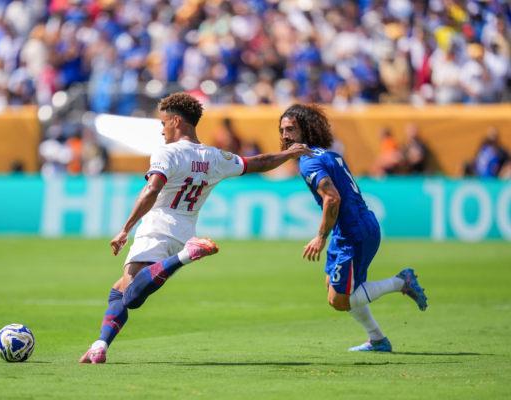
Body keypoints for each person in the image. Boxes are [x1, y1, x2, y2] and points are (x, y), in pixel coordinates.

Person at [80, 93, 310, 364]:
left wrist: (125, 229)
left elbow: (152, 189)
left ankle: (186, 256)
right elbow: (257, 163)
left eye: (164, 122)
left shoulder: (167, 152)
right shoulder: (214, 156)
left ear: (176, 121)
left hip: (157, 226)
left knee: (131, 297)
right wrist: (287, 154)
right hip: (183, 230)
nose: (162, 129)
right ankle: (100, 346)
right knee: (119, 290)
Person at [278, 104, 428, 352]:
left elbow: (332, 198)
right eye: (282, 130)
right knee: (333, 285)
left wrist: (320, 237)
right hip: (350, 228)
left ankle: (401, 282)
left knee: (339, 300)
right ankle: (377, 339)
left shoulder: (308, 162)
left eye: (291, 129)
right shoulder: (327, 154)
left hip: (354, 232)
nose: (285, 135)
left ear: (305, 130)